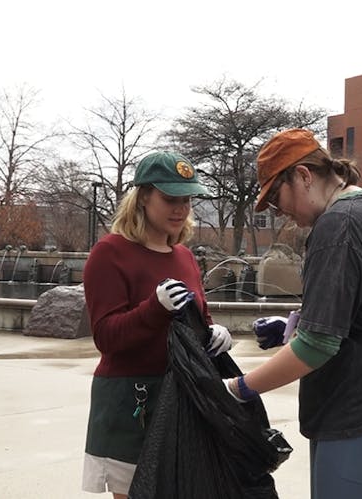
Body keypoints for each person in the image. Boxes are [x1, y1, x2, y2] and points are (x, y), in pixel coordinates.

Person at [224, 128, 362, 499]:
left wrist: (238, 389)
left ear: (302, 176)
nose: (280, 212)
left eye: (277, 198)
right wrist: (294, 325)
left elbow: (317, 346)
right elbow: (360, 314)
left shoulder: (339, 224)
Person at [80, 151, 234, 499]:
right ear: (144, 196)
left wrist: (213, 335)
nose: (180, 208)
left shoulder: (183, 256)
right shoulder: (109, 253)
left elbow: (199, 319)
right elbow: (106, 337)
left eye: (186, 199)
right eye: (170, 198)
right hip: (131, 402)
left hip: (182, 397)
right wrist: (155, 309)